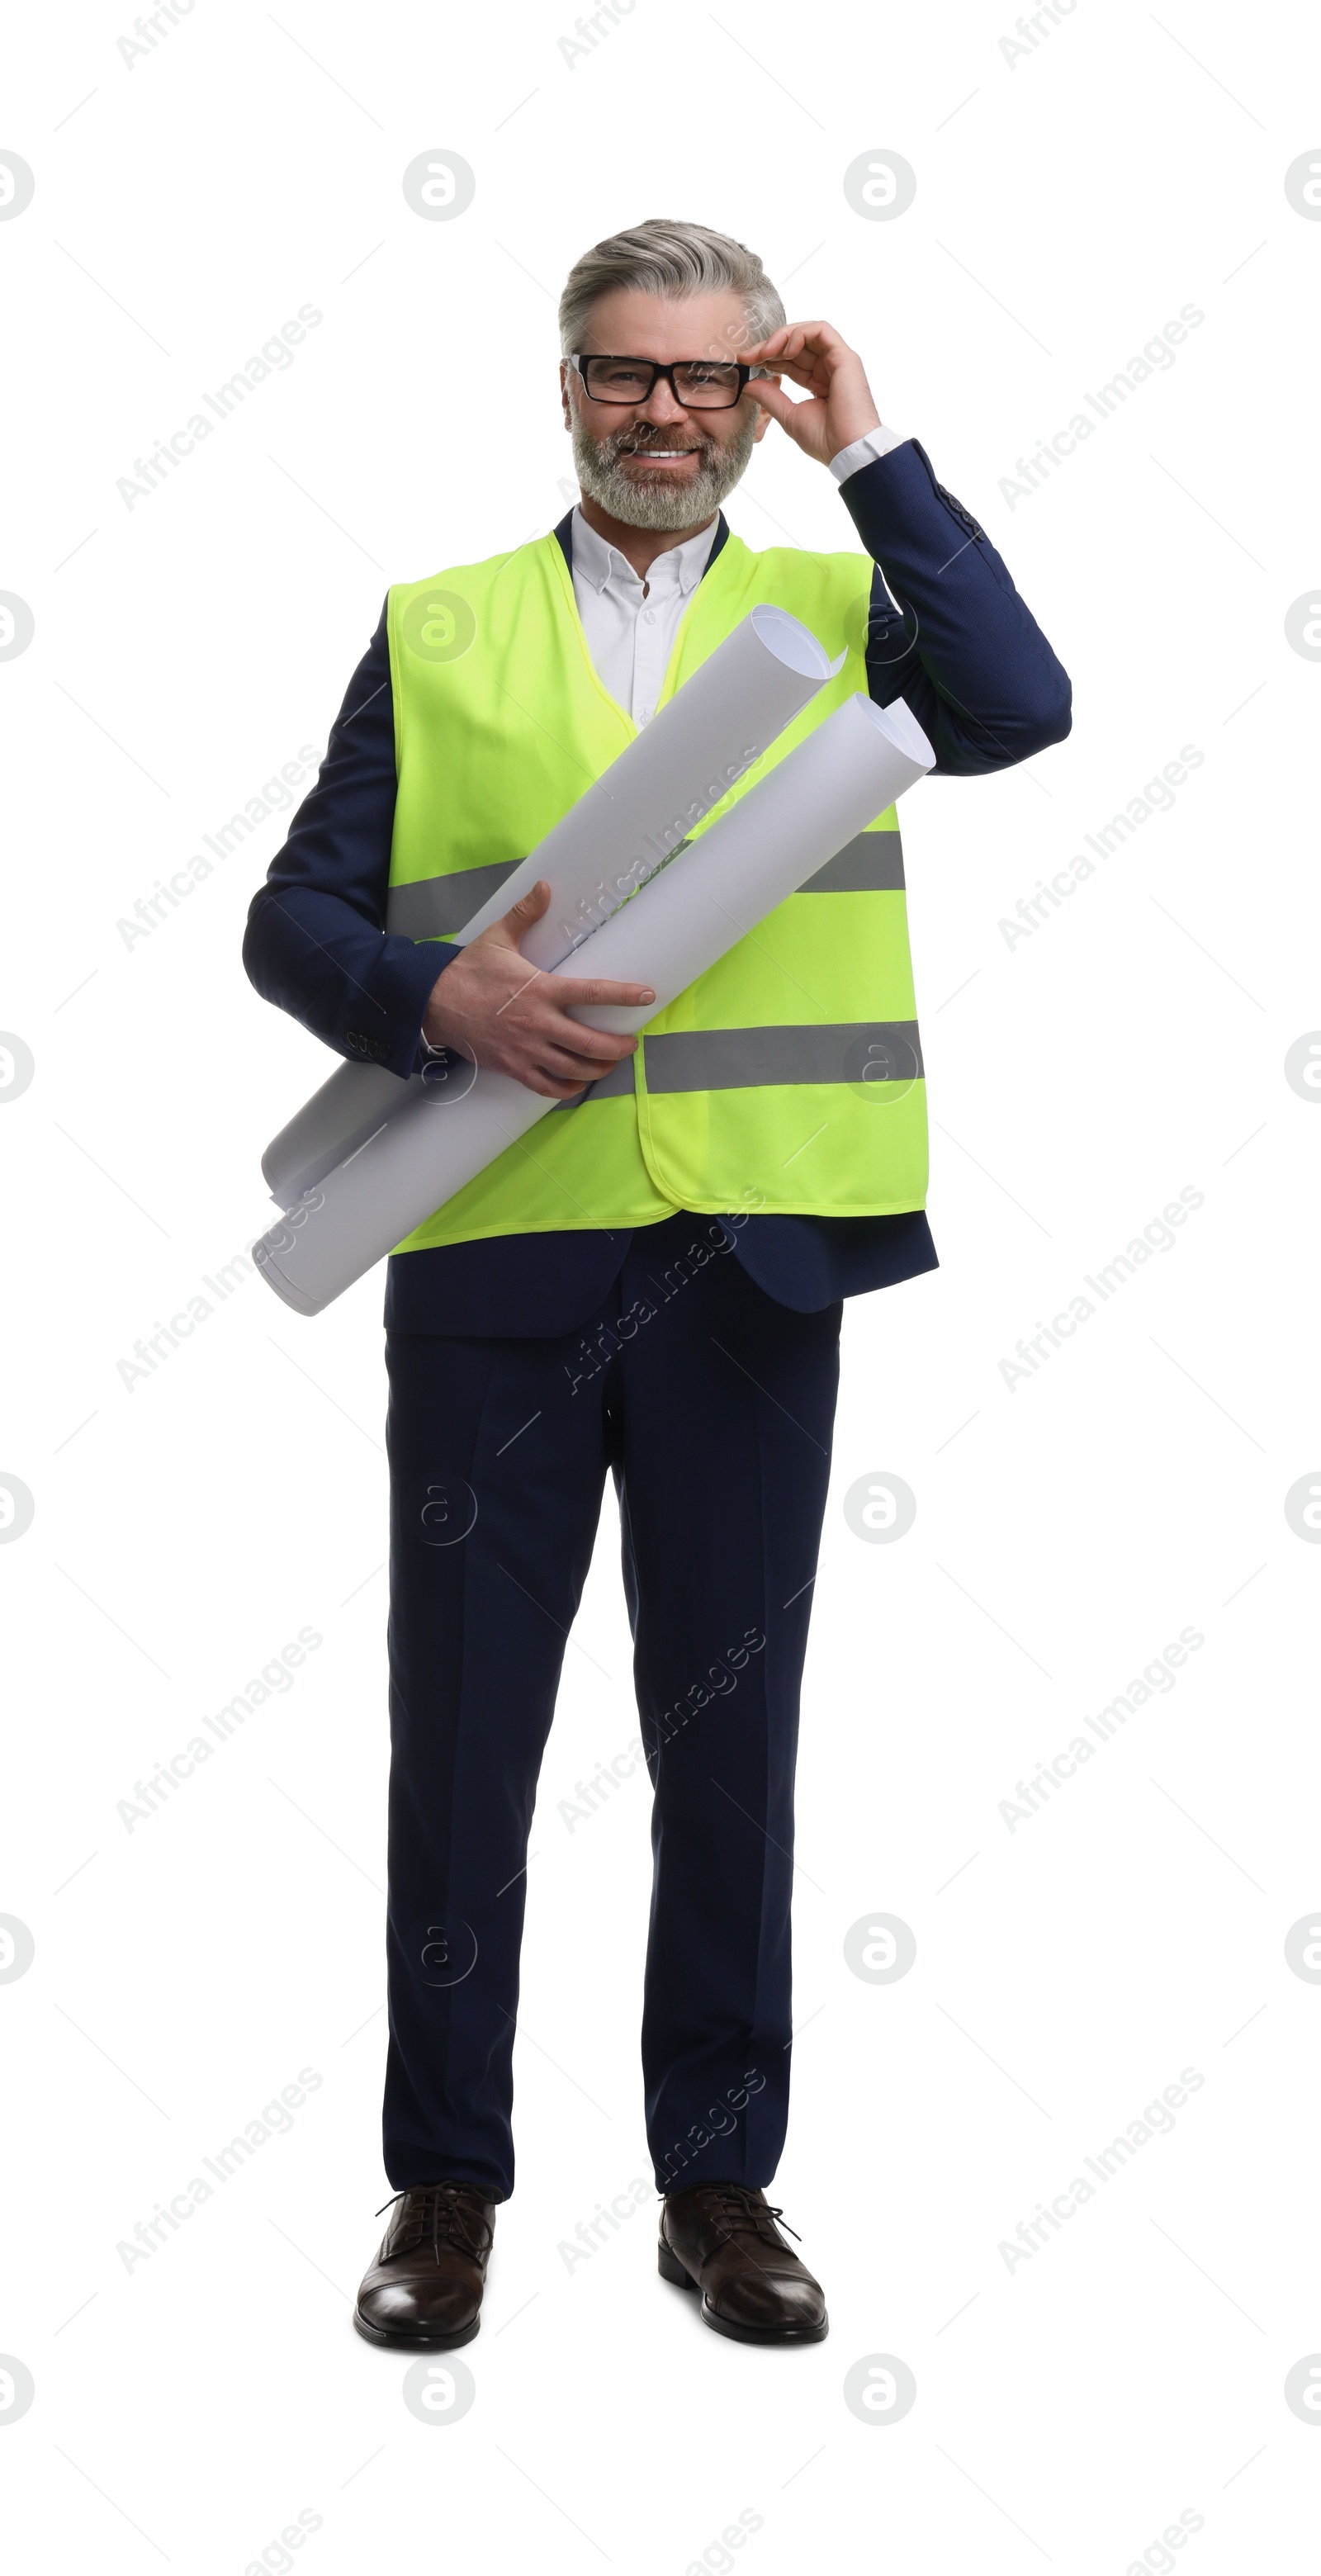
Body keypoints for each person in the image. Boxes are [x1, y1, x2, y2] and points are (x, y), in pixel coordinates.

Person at [244, 216, 1071, 2351]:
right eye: (632, 372)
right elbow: (293, 920)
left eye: (713, 381)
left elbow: (1024, 707)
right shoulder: (439, 629)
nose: (670, 414)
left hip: (750, 1261)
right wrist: (442, 1001)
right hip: (499, 1255)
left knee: (730, 1744)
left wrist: (869, 450)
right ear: (567, 381)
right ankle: (446, 2188)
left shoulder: (841, 603)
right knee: (466, 1738)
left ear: (756, 398)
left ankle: (720, 2185)